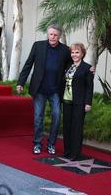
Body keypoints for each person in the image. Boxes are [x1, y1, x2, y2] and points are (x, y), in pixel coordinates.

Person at [16, 25, 72, 155]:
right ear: (48, 34)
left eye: (55, 35)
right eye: (51, 34)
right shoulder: (38, 46)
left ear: (59, 36)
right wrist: (20, 82)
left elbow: (73, 65)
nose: (52, 37)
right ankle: (37, 143)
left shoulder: (65, 50)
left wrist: (87, 69)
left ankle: (51, 144)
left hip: (56, 90)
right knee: (38, 117)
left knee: (57, 116)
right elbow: (28, 64)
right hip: (40, 89)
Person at [63, 43, 94, 161]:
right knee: (67, 127)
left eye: (77, 52)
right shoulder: (68, 66)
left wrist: (88, 103)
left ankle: (75, 154)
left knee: (77, 128)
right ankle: (67, 151)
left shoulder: (87, 68)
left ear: (82, 54)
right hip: (66, 100)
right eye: (72, 52)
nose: (74, 55)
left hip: (79, 102)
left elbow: (89, 87)